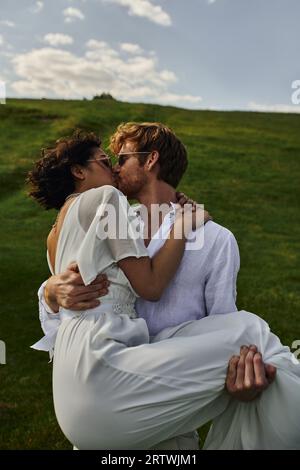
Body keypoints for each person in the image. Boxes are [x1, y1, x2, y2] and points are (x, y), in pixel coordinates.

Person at [29, 129, 300, 450]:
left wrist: (243, 380)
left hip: (146, 414)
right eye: (107, 161)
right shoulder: (108, 205)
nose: (114, 168)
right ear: (79, 171)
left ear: (151, 160)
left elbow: (221, 330)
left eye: (122, 159)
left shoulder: (216, 239)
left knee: (250, 341)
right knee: (254, 335)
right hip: (106, 383)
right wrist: (48, 294)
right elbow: (146, 287)